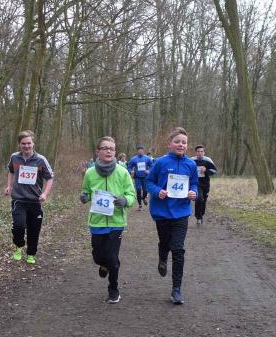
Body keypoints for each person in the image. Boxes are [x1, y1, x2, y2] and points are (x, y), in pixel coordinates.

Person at [79, 136, 136, 303]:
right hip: (96, 222)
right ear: (98, 151)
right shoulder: (90, 173)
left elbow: (131, 195)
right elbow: (86, 191)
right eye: (105, 148)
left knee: (112, 258)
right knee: (98, 257)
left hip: (116, 222)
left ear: (115, 152)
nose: (109, 151)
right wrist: (84, 197)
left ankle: (113, 289)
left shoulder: (122, 172)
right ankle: (103, 264)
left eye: (112, 148)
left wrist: (125, 200)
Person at [145, 127, 198, 304]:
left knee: (178, 249)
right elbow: (149, 182)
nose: (181, 145)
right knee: (165, 243)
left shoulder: (191, 164)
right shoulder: (160, 162)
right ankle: (162, 256)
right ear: (170, 144)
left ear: (187, 146)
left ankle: (176, 289)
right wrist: (157, 191)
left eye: (184, 142)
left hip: (181, 212)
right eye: (177, 142)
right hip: (162, 212)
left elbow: (194, 184)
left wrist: (193, 193)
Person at [4, 130, 54, 265]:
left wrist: (45, 194)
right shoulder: (14, 157)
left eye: (29, 143)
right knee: (18, 225)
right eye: (23, 143)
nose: (26, 146)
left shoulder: (41, 160)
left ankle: (31, 253)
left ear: (33, 143)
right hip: (18, 199)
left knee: (34, 229)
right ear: (19, 144)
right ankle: (19, 246)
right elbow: (11, 171)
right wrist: (9, 186)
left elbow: (49, 178)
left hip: (35, 201)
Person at [191, 145, 218, 225]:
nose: (200, 153)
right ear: (196, 153)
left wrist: (206, 170)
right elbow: (186, 170)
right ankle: (198, 217)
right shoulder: (191, 160)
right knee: (199, 198)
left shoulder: (208, 160)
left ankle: (201, 215)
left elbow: (214, 171)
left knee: (203, 200)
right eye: (198, 151)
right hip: (196, 183)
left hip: (205, 183)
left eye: (201, 151)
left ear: (204, 152)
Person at [128, 146, 154, 210]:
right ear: (137, 151)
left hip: (145, 177)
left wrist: (149, 171)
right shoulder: (133, 159)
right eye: (139, 150)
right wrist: (131, 171)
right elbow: (129, 167)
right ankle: (140, 205)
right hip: (137, 177)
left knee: (145, 190)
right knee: (138, 190)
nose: (140, 151)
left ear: (143, 151)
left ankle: (144, 198)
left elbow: (152, 166)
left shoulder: (147, 158)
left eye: (141, 150)